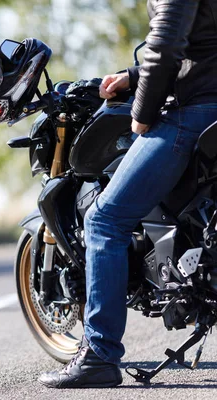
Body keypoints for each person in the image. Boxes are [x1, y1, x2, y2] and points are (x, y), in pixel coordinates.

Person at [38, 0, 217, 388]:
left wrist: (143, 109)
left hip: (198, 108)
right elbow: (202, 45)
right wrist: (132, 75)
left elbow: (168, 43)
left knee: (105, 219)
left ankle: (99, 355)